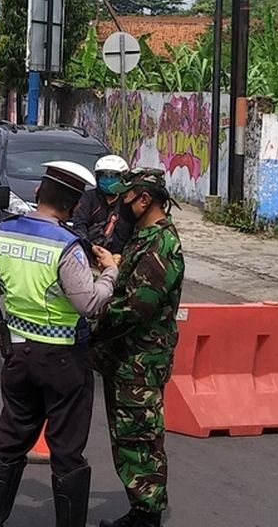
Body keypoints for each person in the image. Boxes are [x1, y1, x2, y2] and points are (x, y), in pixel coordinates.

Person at [0, 161, 120, 527]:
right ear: (73, 207)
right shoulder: (67, 247)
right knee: (67, 449)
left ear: (38, 194)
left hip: (17, 354)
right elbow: (88, 303)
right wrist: (110, 274)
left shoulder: (3, 233)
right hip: (63, 361)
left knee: (10, 438)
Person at [91, 168, 186, 527]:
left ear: (145, 199)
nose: (120, 204)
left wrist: (94, 324)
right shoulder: (143, 237)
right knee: (127, 438)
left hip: (140, 361)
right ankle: (140, 510)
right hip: (127, 359)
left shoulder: (161, 243)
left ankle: (146, 516)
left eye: (126, 198)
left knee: (140, 439)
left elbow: (135, 307)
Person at [72, 154, 134, 255]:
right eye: (104, 175)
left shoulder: (128, 201)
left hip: (120, 258)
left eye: (113, 176)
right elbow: (80, 223)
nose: (108, 180)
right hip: (91, 254)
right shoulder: (89, 198)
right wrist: (88, 247)